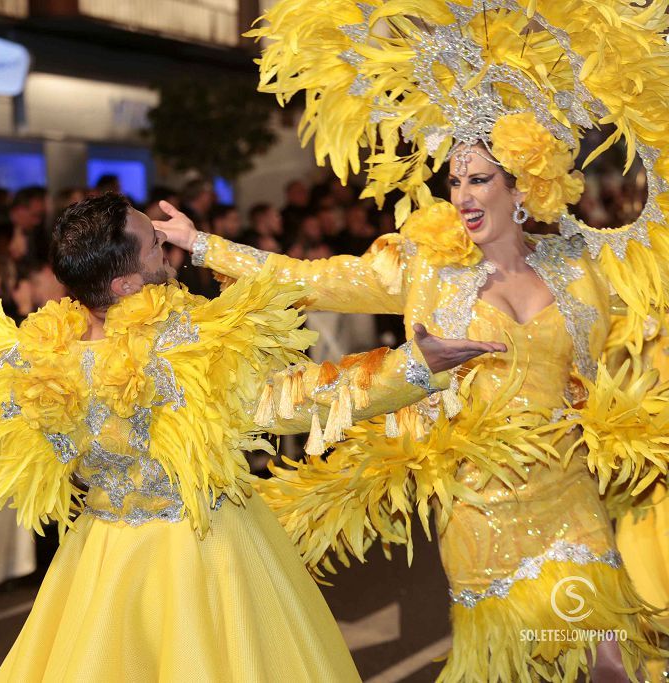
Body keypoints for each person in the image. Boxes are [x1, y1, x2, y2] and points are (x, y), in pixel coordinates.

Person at [157, 0, 669, 679]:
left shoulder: (580, 269)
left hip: (571, 497)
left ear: (522, 188)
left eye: (479, 179)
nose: (461, 195)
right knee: (517, 667)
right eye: (454, 179)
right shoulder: (424, 265)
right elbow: (310, 279)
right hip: (478, 508)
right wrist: (202, 244)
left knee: (611, 664)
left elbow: (619, 363)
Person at [0, 193, 501, 681]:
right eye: (153, 245)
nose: (168, 248)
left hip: (103, 560)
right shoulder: (185, 345)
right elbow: (292, 401)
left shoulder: (37, 359)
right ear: (127, 284)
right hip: (209, 550)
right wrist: (413, 368)